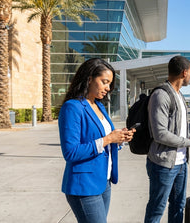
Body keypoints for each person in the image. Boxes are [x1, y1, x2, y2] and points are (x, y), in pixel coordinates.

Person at [58, 58, 135, 223]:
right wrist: (108, 139)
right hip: (84, 186)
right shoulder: (72, 107)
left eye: (110, 84)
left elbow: (104, 140)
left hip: (103, 181)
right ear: (89, 78)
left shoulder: (98, 106)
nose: (108, 88)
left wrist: (118, 138)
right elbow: (70, 152)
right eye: (105, 82)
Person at [144, 56, 190, 223]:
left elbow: (180, 130)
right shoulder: (161, 95)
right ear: (184, 73)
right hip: (162, 164)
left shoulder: (180, 96)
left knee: (178, 206)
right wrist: (188, 142)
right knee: (157, 209)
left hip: (181, 164)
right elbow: (160, 134)